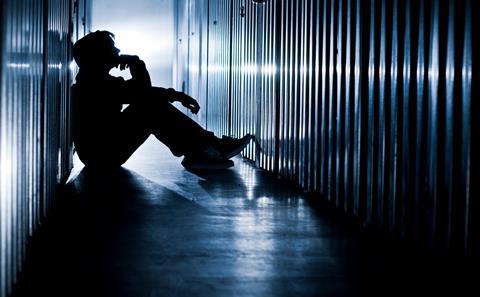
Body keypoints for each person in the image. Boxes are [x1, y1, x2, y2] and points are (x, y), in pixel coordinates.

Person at [71, 30, 252, 170]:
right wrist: (136, 63)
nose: (118, 51)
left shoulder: (95, 81)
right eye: (112, 48)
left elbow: (141, 92)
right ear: (100, 55)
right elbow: (143, 92)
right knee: (150, 107)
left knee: (150, 106)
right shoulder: (92, 85)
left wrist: (177, 96)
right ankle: (205, 149)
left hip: (101, 153)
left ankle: (200, 151)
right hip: (101, 156)